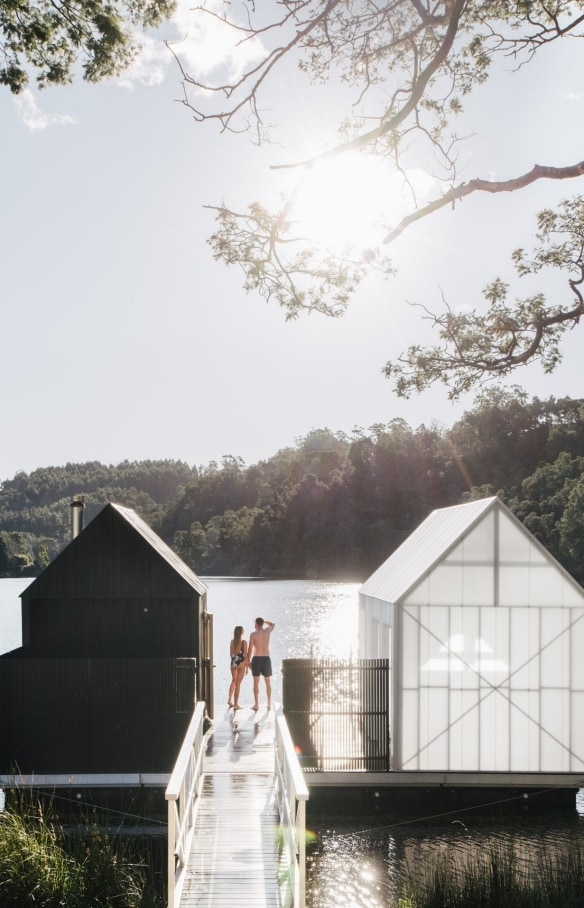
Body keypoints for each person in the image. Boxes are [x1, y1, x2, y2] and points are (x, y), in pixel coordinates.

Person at [247, 617, 275, 711]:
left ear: (256, 624)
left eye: (255, 623)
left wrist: (248, 660)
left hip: (257, 659)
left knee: (256, 682)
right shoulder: (267, 631)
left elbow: (250, 648)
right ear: (262, 624)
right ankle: (269, 703)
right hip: (266, 659)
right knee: (268, 682)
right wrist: (264, 621)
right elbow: (273, 624)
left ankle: (256, 704)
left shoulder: (253, 634)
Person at [228, 625, 248, 710]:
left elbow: (230, 654)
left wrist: (235, 661)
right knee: (238, 684)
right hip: (241, 664)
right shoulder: (244, 642)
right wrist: (247, 667)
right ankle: (236, 704)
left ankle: (229, 700)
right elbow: (245, 655)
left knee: (233, 681)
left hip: (233, 663)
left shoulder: (232, 642)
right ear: (241, 632)